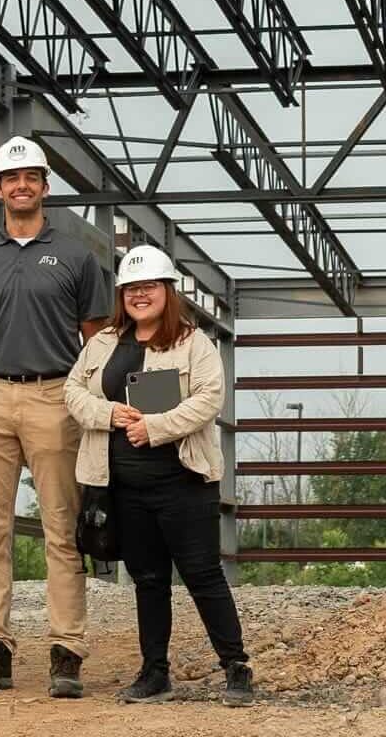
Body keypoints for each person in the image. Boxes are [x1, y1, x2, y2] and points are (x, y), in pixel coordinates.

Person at [0, 135, 112, 698]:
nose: (22, 186)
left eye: (32, 178)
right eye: (11, 178)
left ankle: (66, 651)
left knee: (61, 529)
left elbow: (96, 344)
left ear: (45, 186)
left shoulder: (76, 258)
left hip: (54, 397)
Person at [63, 244, 254, 707]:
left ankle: (236, 666)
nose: (139, 295)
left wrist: (156, 427)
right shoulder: (104, 342)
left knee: (203, 574)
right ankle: (154, 673)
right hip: (123, 485)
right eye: (131, 288)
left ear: (167, 291)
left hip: (184, 482)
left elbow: (210, 398)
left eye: (149, 286)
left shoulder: (194, 343)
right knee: (147, 579)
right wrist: (108, 414)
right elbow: (72, 390)